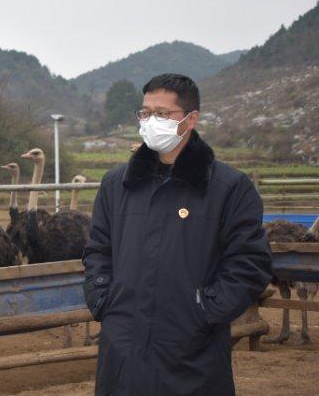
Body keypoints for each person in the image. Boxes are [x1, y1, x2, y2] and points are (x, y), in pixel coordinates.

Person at [83, 73, 272, 395]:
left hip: (192, 350)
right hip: (123, 345)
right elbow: (98, 250)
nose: (150, 121)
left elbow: (249, 263)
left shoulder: (229, 188)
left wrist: (204, 309)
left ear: (190, 119)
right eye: (145, 113)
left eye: (162, 114)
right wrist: (104, 299)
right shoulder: (117, 185)